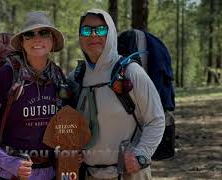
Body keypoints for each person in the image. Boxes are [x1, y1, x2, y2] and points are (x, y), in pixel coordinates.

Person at [68, 9, 165, 180]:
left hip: (130, 174)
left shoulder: (131, 72)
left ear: (111, 33)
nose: (93, 35)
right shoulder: (75, 78)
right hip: (89, 174)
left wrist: (141, 155)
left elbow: (156, 119)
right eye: (86, 30)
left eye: (100, 29)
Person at [0, 11, 66, 180]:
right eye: (29, 34)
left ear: (53, 40)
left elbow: (64, 128)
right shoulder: (6, 75)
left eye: (44, 32)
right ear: (22, 41)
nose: (37, 39)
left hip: (49, 174)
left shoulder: (57, 76)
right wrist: (9, 163)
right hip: (9, 176)